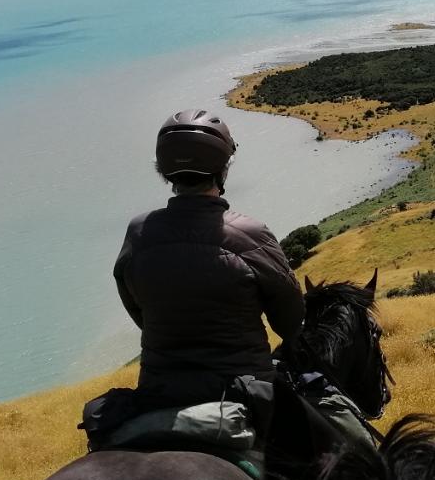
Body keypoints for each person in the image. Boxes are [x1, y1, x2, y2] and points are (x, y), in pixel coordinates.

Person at [113, 109, 305, 415]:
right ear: (223, 169)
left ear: (164, 171)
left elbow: (137, 310)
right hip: (246, 396)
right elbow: (292, 322)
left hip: (158, 393)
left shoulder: (138, 233)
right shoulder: (251, 234)